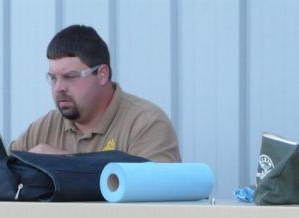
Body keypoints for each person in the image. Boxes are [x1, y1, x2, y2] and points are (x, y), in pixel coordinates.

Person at [10, 24, 180, 162]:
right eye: (53, 78)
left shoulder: (146, 124)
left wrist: (65, 162)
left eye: (70, 76)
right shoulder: (44, 128)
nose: (59, 88)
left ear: (102, 74)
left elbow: (155, 190)